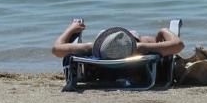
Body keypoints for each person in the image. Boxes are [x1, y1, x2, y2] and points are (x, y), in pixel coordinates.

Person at [51, 19, 184, 59]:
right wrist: (164, 31)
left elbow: (56, 49)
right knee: (147, 39)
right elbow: (178, 45)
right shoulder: (141, 47)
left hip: (104, 65)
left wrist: (71, 28)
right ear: (133, 41)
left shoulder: (91, 49)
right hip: (136, 58)